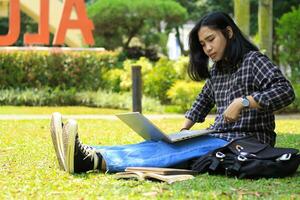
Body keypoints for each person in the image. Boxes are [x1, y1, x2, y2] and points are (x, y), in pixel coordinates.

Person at [50, 12, 295, 174]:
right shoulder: (219, 71)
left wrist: (243, 102)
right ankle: (88, 151)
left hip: (247, 142)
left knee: (171, 152)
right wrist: (183, 131)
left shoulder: (253, 61)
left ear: (229, 33)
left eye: (211, 40)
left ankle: (93, 161)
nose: (207, 48)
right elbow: (203, 101)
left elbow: (285, 91)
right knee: (160, 143)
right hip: (221, 136)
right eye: (203, 44)